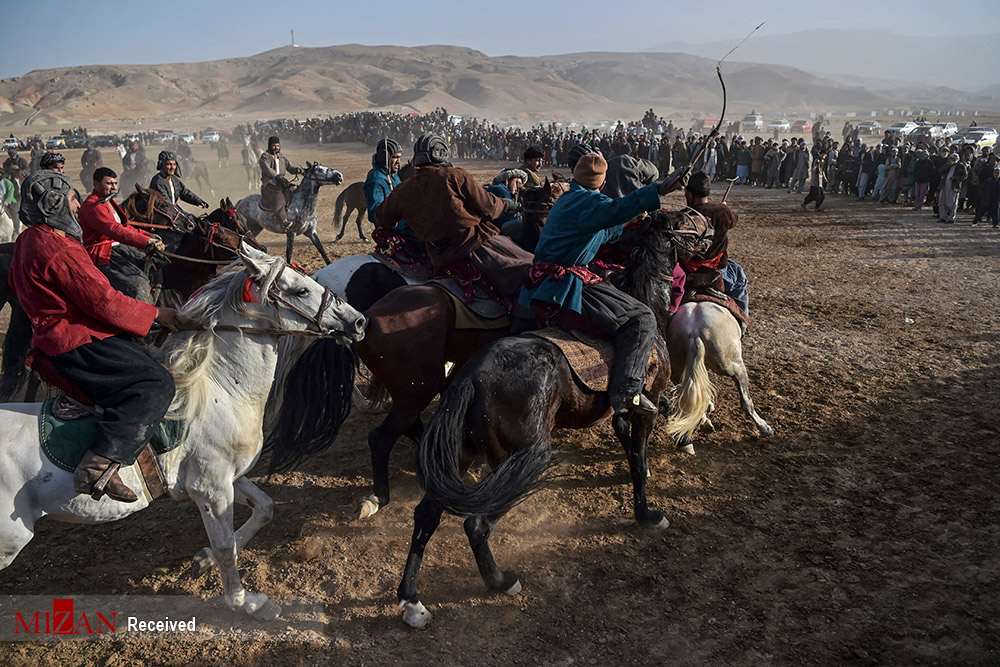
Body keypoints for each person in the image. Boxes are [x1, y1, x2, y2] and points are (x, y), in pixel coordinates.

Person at [10, 168, 178, 503]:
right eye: (71, 199)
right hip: (74, 339)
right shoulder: (58, 246)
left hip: (52, 337)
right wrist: (157, 313)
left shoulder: (28, 239)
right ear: (54, 202)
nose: (75, 207)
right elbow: (103, 300)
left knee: (137, 355)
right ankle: (98, 463)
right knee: (156, 383)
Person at [519, 152, 689, 416]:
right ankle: (628, 393)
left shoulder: (568, 198)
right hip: (564, 285)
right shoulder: (591, 202)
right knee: (643, 317)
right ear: (602, 183)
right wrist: (662, 188)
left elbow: (603, 228)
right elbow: (615, 209)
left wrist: (629, 221)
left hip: (540, 281)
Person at [375, 133, 528, 305]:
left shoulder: (403, 189)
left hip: (438, 256)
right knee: (526, 267)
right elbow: (489, 207)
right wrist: (506, 204)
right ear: (440, 153)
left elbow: (382, 218)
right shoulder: (455, 176)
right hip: (474, 245)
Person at [80, 167, 165, 302]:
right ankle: (147, 318)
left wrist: (148, 236)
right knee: (138, 284)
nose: (114, 187)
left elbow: (124, 227)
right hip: (103, 253)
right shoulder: (92, 206)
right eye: (109, 183)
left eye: (115, 183)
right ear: (96, 184)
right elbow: (114, 230)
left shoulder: (108, 201)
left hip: (119, 248)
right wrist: (145, 242)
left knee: (156, 263)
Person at [259, 136, 302, 231]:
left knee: (295, 192)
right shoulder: (265, 156)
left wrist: (298, 170)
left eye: (278, 145)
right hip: (270, 184)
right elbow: (266, 169)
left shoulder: (282, 156)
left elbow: (290, 167)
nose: (276, 147)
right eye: (274, 145)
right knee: (279, 199)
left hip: (281, 182)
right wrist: (277, 177)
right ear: (270, 145)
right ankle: (284, 221)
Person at [938, 153, 966, 224]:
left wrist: (955, 178)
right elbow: (940, 171)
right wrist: (947, 166)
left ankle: (951, 218)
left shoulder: (961, 166)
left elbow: (964, 176)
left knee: (953, 203)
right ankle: (943, 217)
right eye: (951, 158)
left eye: (954, 159)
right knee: (942, 201)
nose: (952, 160)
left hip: (954, 187)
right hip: (944, 185)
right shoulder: (948, 165)